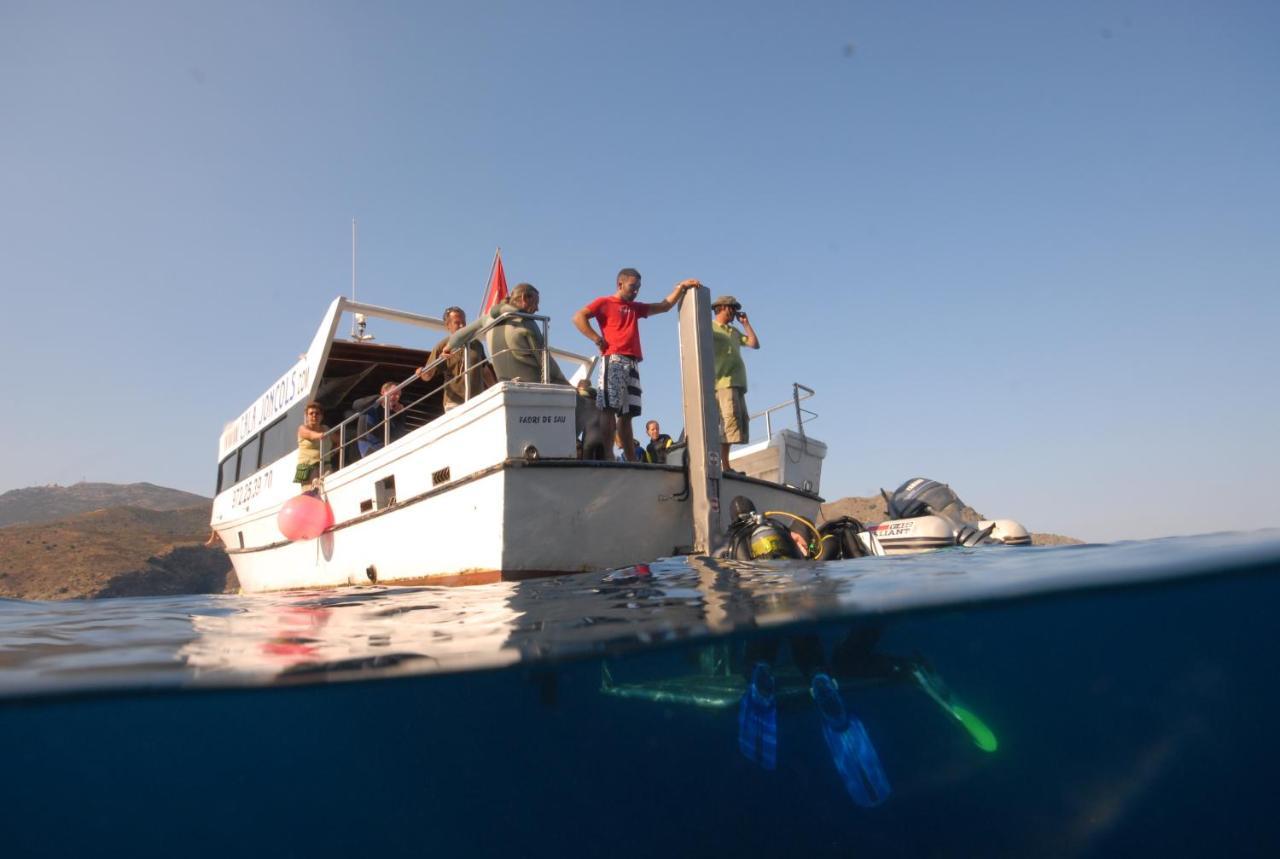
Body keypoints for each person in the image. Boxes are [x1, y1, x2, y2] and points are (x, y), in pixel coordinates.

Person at [573, 269, 700, 462]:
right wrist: (597, 338)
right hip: (613, 358)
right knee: (609, 408)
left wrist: (680, 288)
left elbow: (664, 306)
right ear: (620, 284)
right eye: (633, 287)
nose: (636, 292)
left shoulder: (634, 307)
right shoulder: (605, 302)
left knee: (628, 412)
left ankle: (631, 458)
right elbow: (579, 317)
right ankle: (608, 454)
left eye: (638, 288)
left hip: (633, 361)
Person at [449, 283, 569, 385]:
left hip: (506, 386)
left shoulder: (487, 319)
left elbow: (457, 338)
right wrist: (568, 385)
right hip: (532, 387)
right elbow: (546, 362)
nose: (537, 308)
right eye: (535, 303)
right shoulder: (525, 322)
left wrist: (447, 348)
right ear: (523, 298)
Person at [710, 295, 760, 471]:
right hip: (723, 382)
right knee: (727, 423)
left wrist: (745, 323)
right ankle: (724, 465)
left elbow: (754, 344)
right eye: (732, 308)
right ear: (722, 308)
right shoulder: (711, 328)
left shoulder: (733, 332)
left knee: (735, 424)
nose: (734, 312)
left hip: (738, 383)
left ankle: (726, 464)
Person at [418, 306, 497, 410]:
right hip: (454, 403)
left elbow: (485, 370)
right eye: (457, 322)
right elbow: (427, 376)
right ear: (448, 325)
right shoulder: (442, 346)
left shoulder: (476, 344)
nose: (462, 325)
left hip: (477, 401)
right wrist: (422, 370)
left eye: (464, 322)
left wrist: (495, 391)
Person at [353, 382, 407, 457]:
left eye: (398, 395)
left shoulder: (392, 413)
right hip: (369, 447)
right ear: (383, 392)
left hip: (385, 448)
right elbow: (356, 405)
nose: (396, 397)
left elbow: (399, 434)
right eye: (393, 393)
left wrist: (400, 415)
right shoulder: (373, 406)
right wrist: (379, 398)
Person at [294, 401, 329, 492]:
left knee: (329, 477)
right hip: (307, 466)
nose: (314, 415)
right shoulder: (302, 429)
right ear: (307, 416)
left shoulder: (325, 429)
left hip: (324, 464)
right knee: (312, 489)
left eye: (317, 413)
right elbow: (310, 435)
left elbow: (337, 439)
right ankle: (314, 487)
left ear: (321, 416)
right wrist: (320, 435)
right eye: (311, 413)